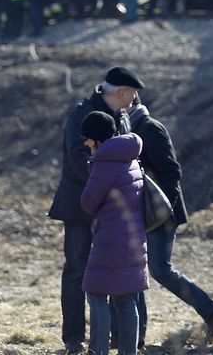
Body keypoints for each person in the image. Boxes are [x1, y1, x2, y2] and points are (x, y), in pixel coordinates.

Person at [50, 67, 143, 354]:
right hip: (81, 206)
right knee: (77, 269)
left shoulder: (123, 116)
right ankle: (74, 337)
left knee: (114, 273)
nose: (134, 99)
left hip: (110, 211)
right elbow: (78, 158)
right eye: (132, 94)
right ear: (121, 92)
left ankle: (113, 339)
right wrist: (103, 187)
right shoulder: (82, 114)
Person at [128, 98, 213, 337]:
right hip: (143, 214)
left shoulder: (149, 128)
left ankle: (212, 310)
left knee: (159, 269)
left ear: (130, 99)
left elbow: (172, 171)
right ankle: (134, 334)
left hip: (160, 213)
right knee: (138, 271)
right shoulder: (127, 129)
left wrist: (166, 210)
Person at [79, 111, 149, 355]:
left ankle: (98, 350)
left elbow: (88, 202)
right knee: (126, 299)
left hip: (110, 239)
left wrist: (92, 164)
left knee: (96, 293)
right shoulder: (129, 157)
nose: (85, 144)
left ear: (96, 138)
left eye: (87, 139)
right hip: (133, 237)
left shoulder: (105, 163)